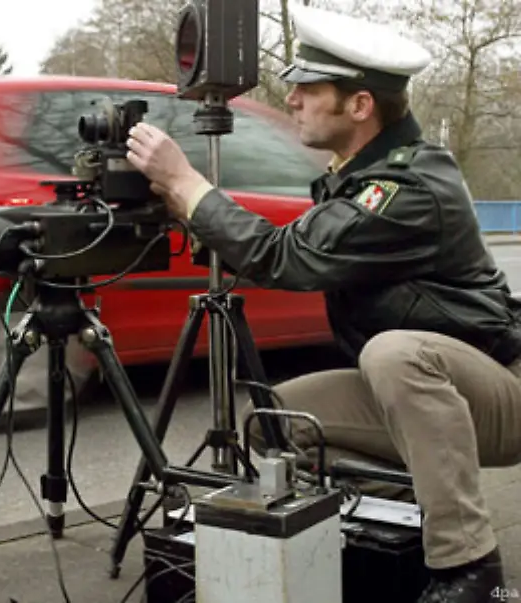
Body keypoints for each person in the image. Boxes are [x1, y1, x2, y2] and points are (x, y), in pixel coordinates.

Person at [124, 4, 521, 602]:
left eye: (308, 89)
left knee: (393, 354)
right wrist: (181, 209)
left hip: (502, 389)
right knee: (277, 420)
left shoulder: (408, 187)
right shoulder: (356, 176)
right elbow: (282, 252)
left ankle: (469, 567)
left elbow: (288, 258)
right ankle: (398, 529)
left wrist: (188, 184)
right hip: (436, 396)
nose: (292, 102)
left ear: (359, 105)